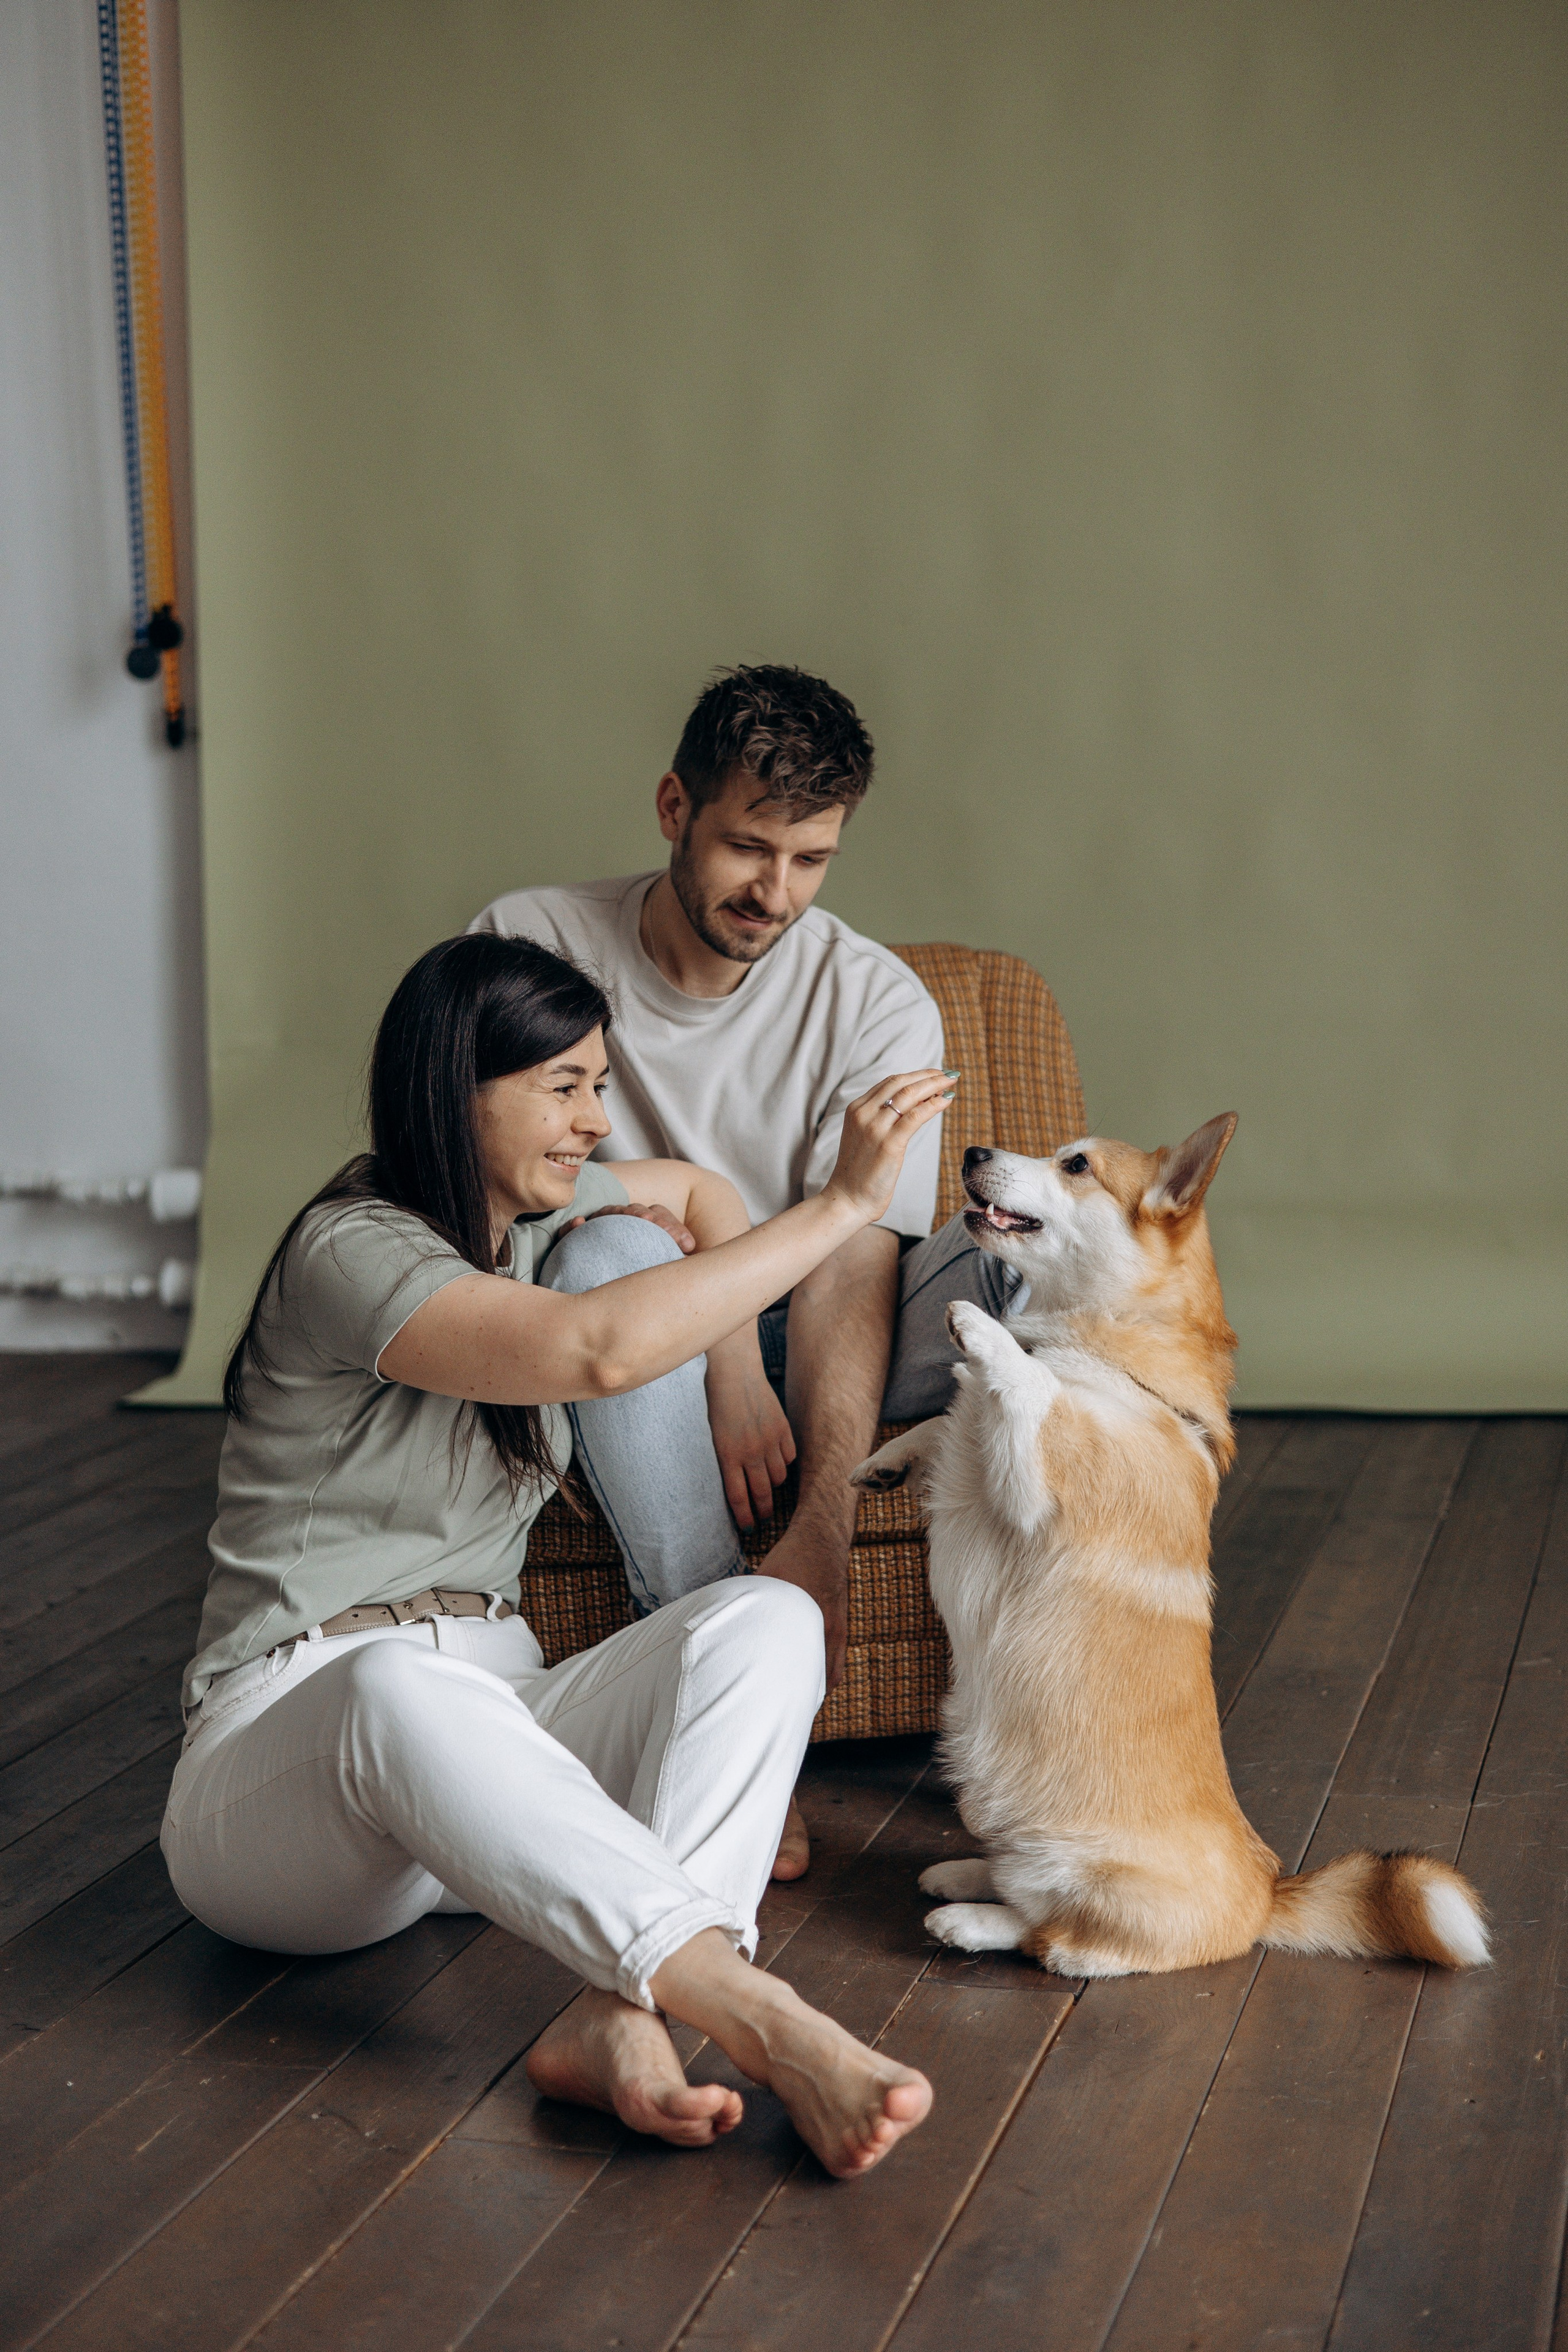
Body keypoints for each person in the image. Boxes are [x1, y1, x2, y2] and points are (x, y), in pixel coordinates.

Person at [162, 933, 949, 2176]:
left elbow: (692, 1194)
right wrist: (844, 1207)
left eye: (599, 1083)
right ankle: (757, 2015)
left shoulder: (527, 1218)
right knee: (394, 1684)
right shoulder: (353, 1247)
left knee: (767, 1622)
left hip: (490, 1744)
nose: (593, 1121)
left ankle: (621, 2014)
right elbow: (592, 1354)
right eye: (562, 1088)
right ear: (453, 1090)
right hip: (284, 1780)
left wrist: (739, 1364)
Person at [471, 665, 1023, 1874]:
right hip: (622, 1332)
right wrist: (723, 1347)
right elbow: (506, 1210)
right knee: (609, 1244)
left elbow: (852, 1263)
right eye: (746, 848)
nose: (773, 892)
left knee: (1030, 1268)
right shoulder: (526, 945)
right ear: (672, 808)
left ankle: (1077, 1724)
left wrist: (821, 1516)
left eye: (811, 859)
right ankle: (726, 1712)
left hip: (835, 1329)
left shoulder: (873, 999)